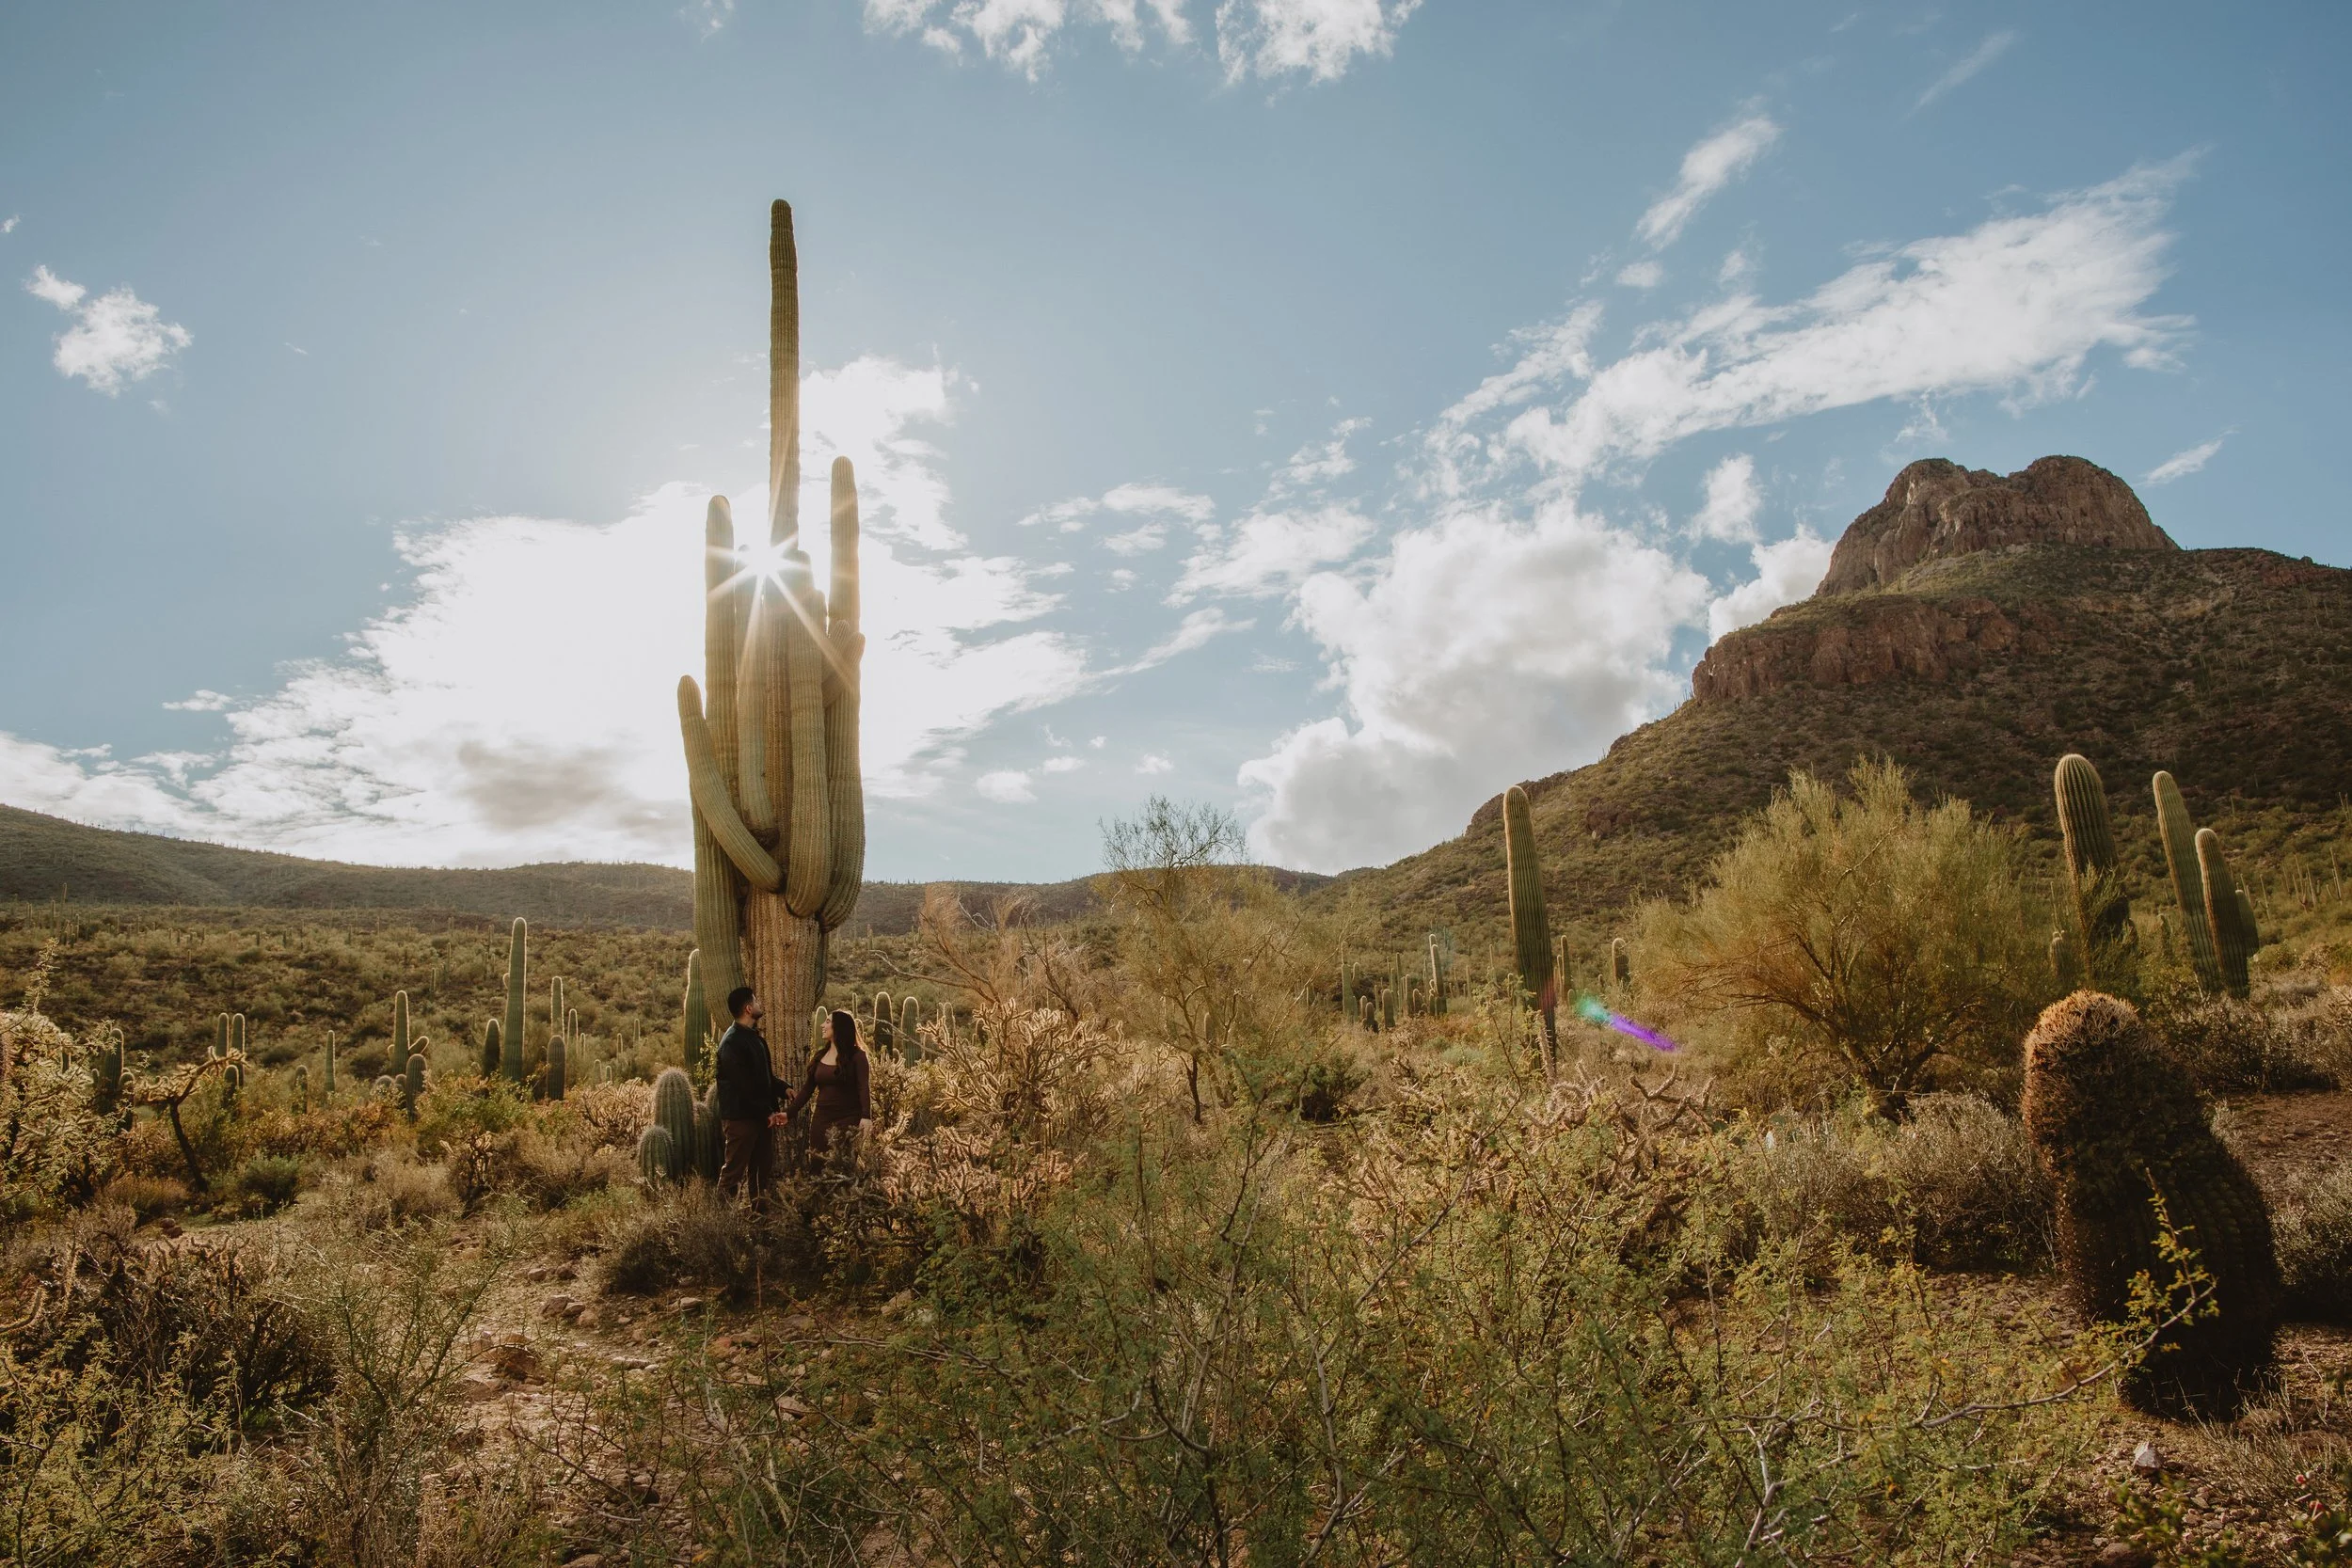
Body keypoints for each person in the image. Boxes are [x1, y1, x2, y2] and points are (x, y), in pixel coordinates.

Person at [712, 986, 791, 1203]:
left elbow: (762, 1077)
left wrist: (783, 1088)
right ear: (748, 1008)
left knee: (760, 1173)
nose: (759, 1004)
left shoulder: (752, 1037)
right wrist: (766, 1112)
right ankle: (719, 1217)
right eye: (756, 1001)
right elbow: (743, 1086)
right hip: (741, 1119)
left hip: (760, 1117)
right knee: (733, 1173)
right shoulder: (731, 1043)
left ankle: (758, 1216)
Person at [786, 1008, 872, 1167]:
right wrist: (788, 1113)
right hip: (821, 1120)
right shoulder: (820, 1056)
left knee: (842, 1166)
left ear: (839, 1027)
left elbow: (863, 1087)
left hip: (848, 1119)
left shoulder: (857, 1056)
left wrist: (866, 1117)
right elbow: (807, 1090)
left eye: (827, 1022)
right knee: (818, 1163)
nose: (822, 1025)